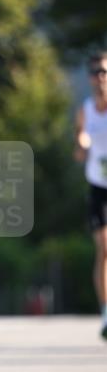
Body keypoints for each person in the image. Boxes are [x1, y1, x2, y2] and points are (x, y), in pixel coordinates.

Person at [74, 51, 107, 340]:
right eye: (95, 71)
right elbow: (79, 141)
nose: (100, 77)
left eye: (104, 71)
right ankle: (106, 311)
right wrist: (82, 144)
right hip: (98, 187)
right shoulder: (85, 109)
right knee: (103, 249)